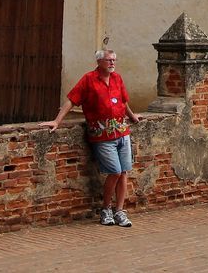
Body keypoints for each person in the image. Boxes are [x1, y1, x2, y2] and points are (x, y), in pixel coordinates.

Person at [40, 49, 142, 227]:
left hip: (122, 132)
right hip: (102, 135)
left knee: (124, 172)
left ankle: (120, 211)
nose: (112, 63)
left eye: (114, 60)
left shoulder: (117, 78)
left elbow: (123, 102)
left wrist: (132, 117)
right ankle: (105, 208)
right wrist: (57, 121)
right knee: (115, 171)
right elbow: (72, 100)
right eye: (109, 60)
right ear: (99, 62)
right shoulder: (89, 79)